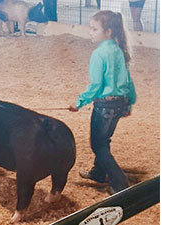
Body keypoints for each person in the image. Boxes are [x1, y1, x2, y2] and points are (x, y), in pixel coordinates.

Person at [69, 10, 136, 194]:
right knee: (104, 139)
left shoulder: (99, 54)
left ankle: (120, 183)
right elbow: (128, 81)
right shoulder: (119, 51)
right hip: (119, 104)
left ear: (108, 32)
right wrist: (130, 103)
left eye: (94, 29)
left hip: (104, 106)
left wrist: (79, 102)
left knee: (97, 145)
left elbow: (96, 85)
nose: (90, 32)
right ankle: (99, 173)